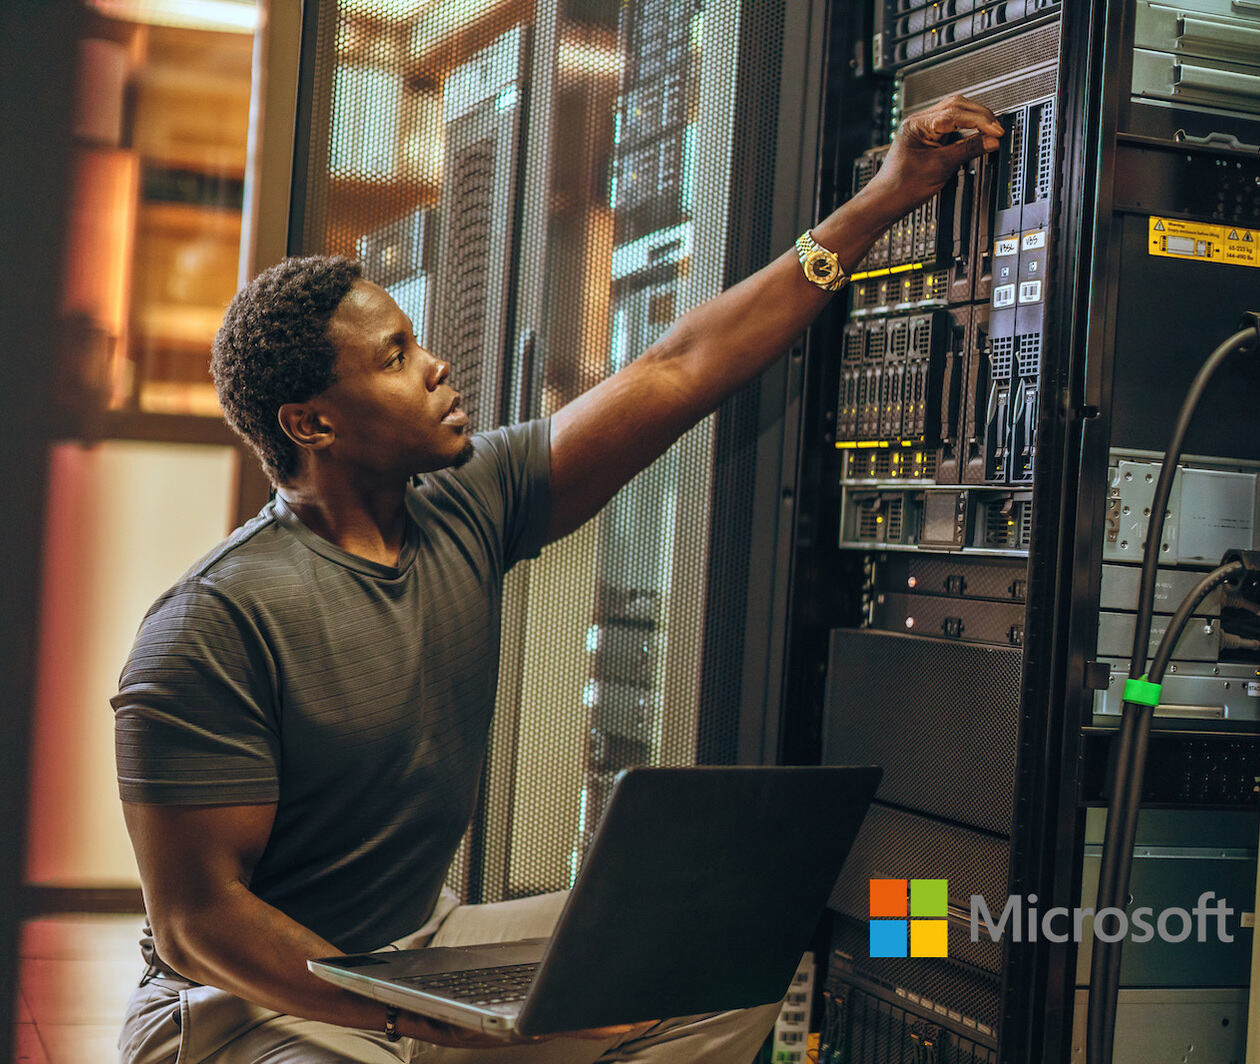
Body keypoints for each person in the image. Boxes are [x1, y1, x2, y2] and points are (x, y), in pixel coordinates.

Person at [114, 94, 1003, 1063]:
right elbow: (203, 922)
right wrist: (424, 1015)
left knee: (716, 967)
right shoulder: (214, 623)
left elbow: (678, 367)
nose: (439, 367)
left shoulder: (469, 501)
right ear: (311, 422)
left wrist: (888, 194)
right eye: (398, 357)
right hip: (252, 1006)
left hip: (416, 952)